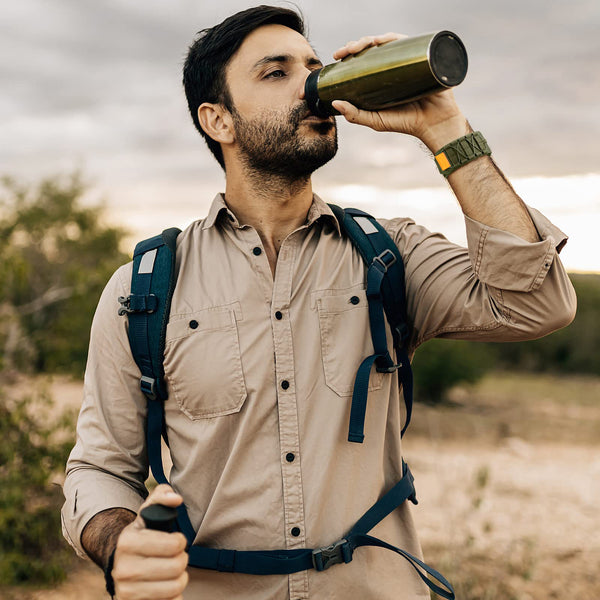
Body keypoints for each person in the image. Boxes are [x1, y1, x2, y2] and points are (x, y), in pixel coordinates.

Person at [61, 5, 576, 600]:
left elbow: (536, 303)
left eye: (314, 67)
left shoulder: (391, 254)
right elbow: (100, 469)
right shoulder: (144, 288)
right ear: (217, 120)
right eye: (276, 73)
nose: (311, 86)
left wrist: (447, 128)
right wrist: (120, 541)